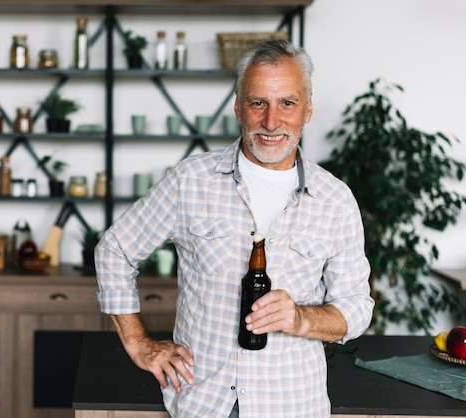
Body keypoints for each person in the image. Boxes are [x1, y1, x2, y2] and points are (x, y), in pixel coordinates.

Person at [95, 40, 374, 418]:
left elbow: (356, 307)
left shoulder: (335, 200)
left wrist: (300, 318)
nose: (271, 121)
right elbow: (115, 249)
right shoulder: (190, 181)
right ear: (239, 106)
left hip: (292, 405)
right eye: (258, 102)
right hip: (204, 403)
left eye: (287, 103)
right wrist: (138, 343)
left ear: (307, 109)